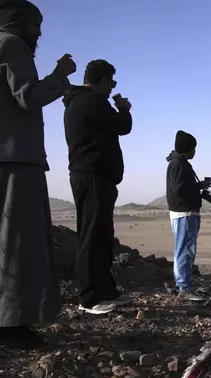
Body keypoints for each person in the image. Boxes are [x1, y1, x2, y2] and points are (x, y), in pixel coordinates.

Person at [0, 0, 76, 348]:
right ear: (18, 22)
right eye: (35, 25)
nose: (39, 32)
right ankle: (6, 328)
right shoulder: (10, 45)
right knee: (16, 241)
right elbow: (28, 97)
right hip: (13, 159)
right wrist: (60, 75)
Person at [62, 60, 133, 314]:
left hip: (95, 176)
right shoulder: (92, 101)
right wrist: (124, 109)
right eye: (112, 82)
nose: (113, 86)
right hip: (92, 176)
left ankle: (105, 290)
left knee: (101, 235)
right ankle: (89, 298)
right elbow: (122, 126)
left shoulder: (80, 102)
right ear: (103, 81)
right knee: (92, 235)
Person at [165, 130, 211, 302]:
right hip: (184, 213)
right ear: (187, 149)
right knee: (184, 251)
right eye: (193, 148)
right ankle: (184, 288)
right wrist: (196, 187)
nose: (195, 152)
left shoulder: (178, 163)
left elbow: (182, 187)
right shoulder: (178, 164)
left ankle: (184, 285)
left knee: (185, 250)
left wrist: (197, 185)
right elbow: (179, 190)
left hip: (185, 213)